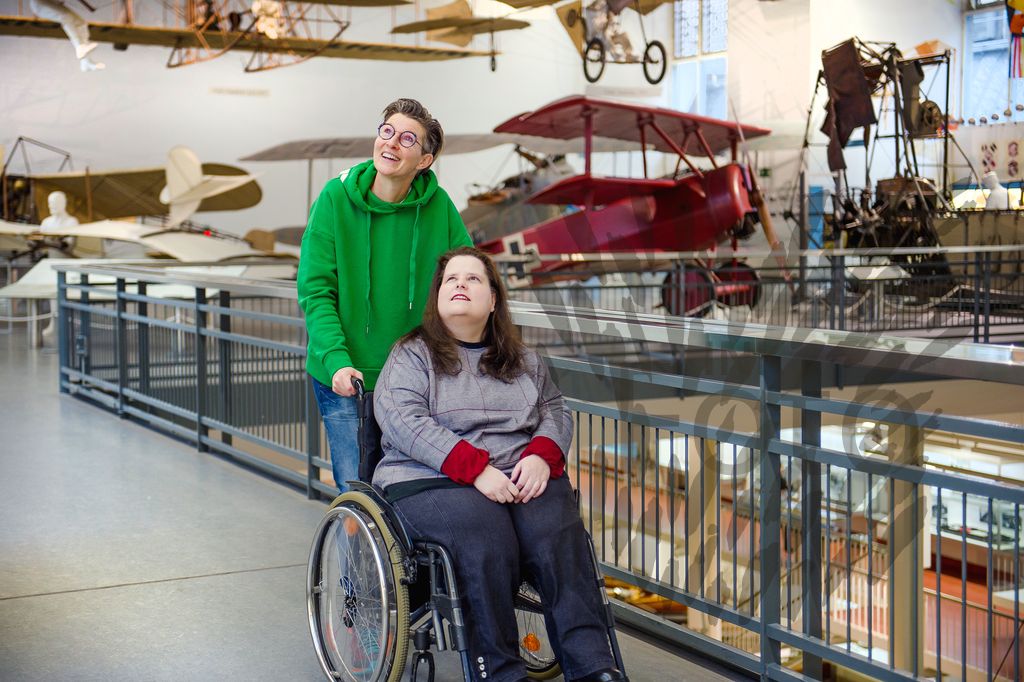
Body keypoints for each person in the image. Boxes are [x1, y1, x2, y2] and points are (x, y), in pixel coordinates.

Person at [372, 247, 627, 682]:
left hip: (517, 474)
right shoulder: (412, 355)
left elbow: (555, 409)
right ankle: (502, 672)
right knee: (484, 538)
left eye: (473, 279)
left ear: (493, 300)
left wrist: (543, 456)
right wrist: (475, 469)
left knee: (558, 534)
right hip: (430, 479)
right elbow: (401, 418)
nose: (460, 285)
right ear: (437, 298)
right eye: (451, 279)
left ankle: (593, 668)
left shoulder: (523, 359)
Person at [297, 98, 472, 493]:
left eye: (407, 138)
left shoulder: (439, 207)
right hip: (346, 376)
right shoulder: (335, 199)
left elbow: (468, 274)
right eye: (387, 131)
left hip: (415, 377)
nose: (391, 143)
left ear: (425, 160)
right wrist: (337, 361)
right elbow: (316, 290)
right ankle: (356, 555)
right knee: (358, 490)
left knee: (415, 486)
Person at [29, 0, 105, 71]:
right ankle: (80, 47)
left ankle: (86, 62)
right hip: (40, 4)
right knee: (66, 17)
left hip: (51, 2)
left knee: (80, 23)